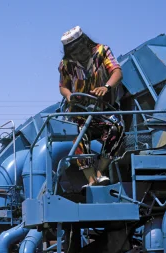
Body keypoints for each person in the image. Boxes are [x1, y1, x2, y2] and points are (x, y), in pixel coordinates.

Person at [58, 26, 125, 187]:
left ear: (85, 42)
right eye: (73, 52)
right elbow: (63, 86)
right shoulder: (66, 64)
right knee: (78, 134)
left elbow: (117, 72)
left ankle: (101, 170)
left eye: (80, 50)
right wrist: (68, 96)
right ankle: (91, 179)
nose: (78, 54)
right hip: (80, 112)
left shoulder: (102, 51)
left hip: (103, 110)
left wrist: (106, 87)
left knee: (117, 128)